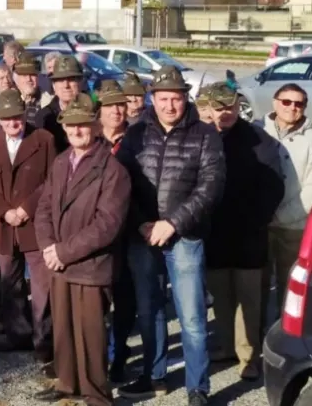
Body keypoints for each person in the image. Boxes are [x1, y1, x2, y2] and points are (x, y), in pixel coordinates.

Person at [116, 66, 225, 405]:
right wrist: (141, 224)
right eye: (163, 99)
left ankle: (198, 386)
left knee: (191, 316)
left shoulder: (206, 134)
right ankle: (155, 375)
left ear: (185, 98)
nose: (169, 106)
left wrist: (173, 223)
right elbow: (122, 184)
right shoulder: (136, 134)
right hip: (143, 237)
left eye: (175, 99)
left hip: (185, 238)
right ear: (153, 98)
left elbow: (211, 187)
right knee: (149, 311)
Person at [34, 93, 131, 406]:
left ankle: (96, 394)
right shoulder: (61, 162)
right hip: (59, 262)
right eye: (71, 125)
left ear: (96, 126)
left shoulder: (113, 170)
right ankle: (67, 382)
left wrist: (62, 252)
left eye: (83, 125)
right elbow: (45, 207)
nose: (76, 130)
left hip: (90, 266)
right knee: (62, 329)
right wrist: (49, 247)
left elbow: (107, 225)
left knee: (90, 335)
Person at [203, 82, 283, 381]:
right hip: (215, 234)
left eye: (230, 107)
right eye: (219, 107)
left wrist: (256, 220)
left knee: (249, 300)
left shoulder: (258, 138)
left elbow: (273, 184)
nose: (225, 113)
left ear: (239, 107)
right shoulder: (204, 137)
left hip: (249, 234)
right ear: (209, 108)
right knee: (221, 297)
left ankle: (248, 356)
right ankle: (226, 346)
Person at [0, 89, 56, 363]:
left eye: (18, 117)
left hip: (35, 224)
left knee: (41, 287)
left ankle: (43, 341)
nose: (14, 123)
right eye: (8, 118)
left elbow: (52, 180)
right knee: (9, 283)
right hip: (5, 225)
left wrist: (27, 208)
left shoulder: (43, 140)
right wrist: (4, 212)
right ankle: (17, 334)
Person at [258, 83, 312, 315]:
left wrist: (283, 214)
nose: (292, 107)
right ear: (275, 102)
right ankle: (251, 345)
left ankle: (287, 343)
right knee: (256, 289)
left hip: (294, 226)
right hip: (259, 224)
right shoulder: (257, 129)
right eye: (286, 102)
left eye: (299, 103)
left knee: (291, 289)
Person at [94, 79, 134, 383]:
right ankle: (96, 360)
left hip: (130, 232)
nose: (117, 110)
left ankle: (119, 355)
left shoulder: (138, 138)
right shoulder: (87, 138)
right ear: (100, 110)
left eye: (121, 104)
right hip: (95, 234)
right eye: (110, 106)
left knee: (126, 301)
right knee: (97, 304)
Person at [38, 55, 83, 153]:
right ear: (53, 85)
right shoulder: (44, 117)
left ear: (80, 82)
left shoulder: (93, 114)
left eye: (71, 79)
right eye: (60, 80)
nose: (66, 85)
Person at [12, 52, 43, 123]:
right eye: (24, 75)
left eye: (32, 75)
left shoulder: (48, 102)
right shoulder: (10, 102)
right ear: (16, 79)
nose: (29, 79)